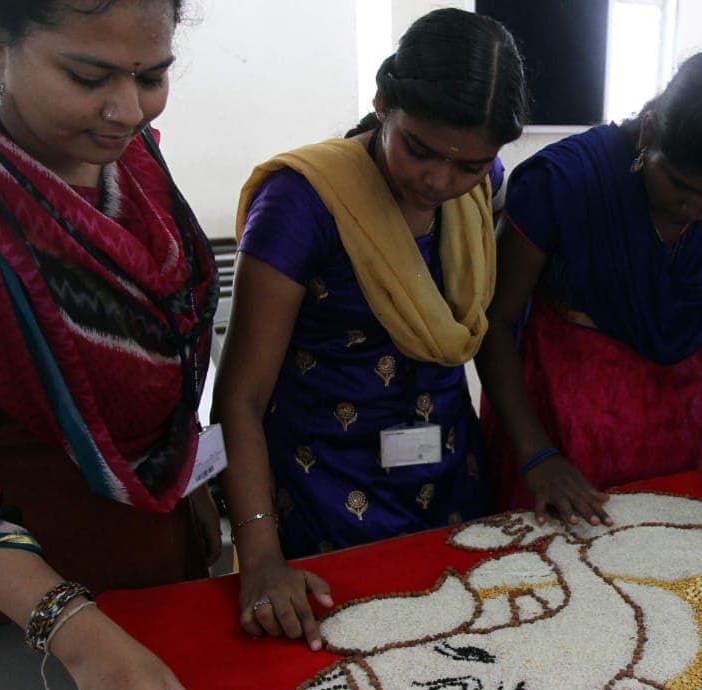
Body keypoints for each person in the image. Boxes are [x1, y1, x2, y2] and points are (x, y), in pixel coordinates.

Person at [0, 0, 220, 690]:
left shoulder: (129, 152)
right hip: (16, 596)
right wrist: (80, 638)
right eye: (88, 77)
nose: (128, 110)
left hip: (157, 536)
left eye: (152, 77)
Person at [212, 9, 527, 650]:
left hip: (450, 468)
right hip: (324, 482)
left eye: (468, 164)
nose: (440, 180)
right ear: (383, 101)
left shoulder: (479, 189)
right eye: (419, 149)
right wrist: (262, 555)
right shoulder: (302, 202)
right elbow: (239, 395)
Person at [477, 45, 702, 526]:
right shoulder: (563, 181)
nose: (695, 210)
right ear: (647, 133)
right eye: (680, 185)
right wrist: (537, 454)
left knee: (671, 549)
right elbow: (495, 321)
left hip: (680, 424)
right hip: (560, 425)